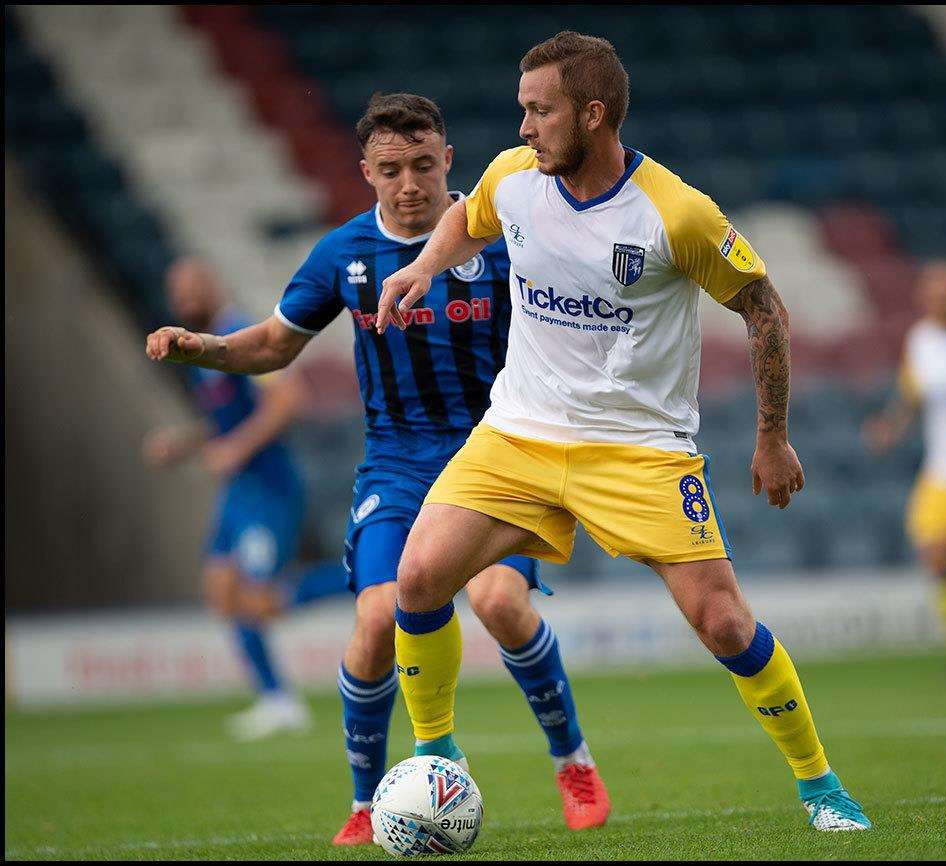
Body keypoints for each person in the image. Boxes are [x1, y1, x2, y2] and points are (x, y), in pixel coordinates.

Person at [374, 32, 872, 832]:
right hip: (520, 433)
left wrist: (771, 437)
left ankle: (821, 787)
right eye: (522, 111)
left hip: (638, 449)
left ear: (592, 113)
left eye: (540, 111)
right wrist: (423, 266)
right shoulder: (514, 175)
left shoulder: (677, 214)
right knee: (420, 577)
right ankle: (439, 759)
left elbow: (765, 311)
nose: (526, 127)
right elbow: (471, 216)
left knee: (723, 623)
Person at [145, 93, 611, 845]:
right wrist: (201, 345)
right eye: (391, 170)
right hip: (397, 468)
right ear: (366, 171)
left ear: (448, 161)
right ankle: (369, 803)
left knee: (498, 603)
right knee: (373, 621)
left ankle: (573, 761)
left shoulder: (504, 237)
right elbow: (271, 346)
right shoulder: (344, 255)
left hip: (499, 459)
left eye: (424, 165)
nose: (409, 184)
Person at [144, 258, 345, 741]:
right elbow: (224, 420)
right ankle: (275, 698)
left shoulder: (236, 336)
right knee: (221, 592)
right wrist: (186, 442)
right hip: (240, 492)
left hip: (269, 488)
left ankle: (361, 576)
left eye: (194, 287)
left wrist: (238, 447)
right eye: (178, 292)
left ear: (213, 285)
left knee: (257, 600)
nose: (186, 299)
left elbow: (288, 398)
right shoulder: (198, 350)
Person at [865, 260, 946, 674]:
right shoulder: (920, 339)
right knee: (936, 556)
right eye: (938, 294)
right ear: (925, 298)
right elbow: (912, 395)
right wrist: (890, 427)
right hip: (941, 471)